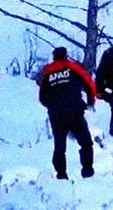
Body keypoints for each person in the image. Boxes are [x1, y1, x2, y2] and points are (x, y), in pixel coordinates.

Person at [39, 47, 96, 179]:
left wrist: (53, 107)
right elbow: (89, 83)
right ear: (66, 56)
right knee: (86, 142)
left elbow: (42, 97)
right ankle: (87, 171)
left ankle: (61, 174)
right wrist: (90, 101)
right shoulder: (73, 68)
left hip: (56, 114)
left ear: (54, 57)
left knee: (59, 145)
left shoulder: (48, 72)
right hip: (75, 111)